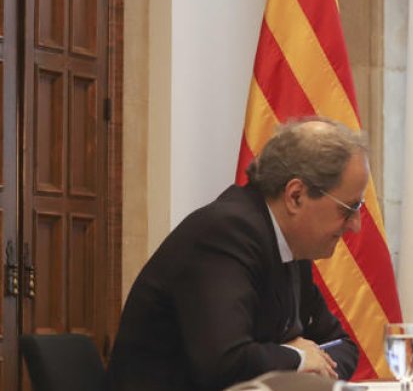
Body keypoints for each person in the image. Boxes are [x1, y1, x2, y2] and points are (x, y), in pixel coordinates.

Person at [108, 118, 366, 391]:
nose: (356, 225)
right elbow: (224, 363)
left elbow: (342, 346)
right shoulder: (225, 233)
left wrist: (306, 363)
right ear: (296, 196)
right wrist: (298, 358)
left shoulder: (292, 246)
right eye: (348, 208)